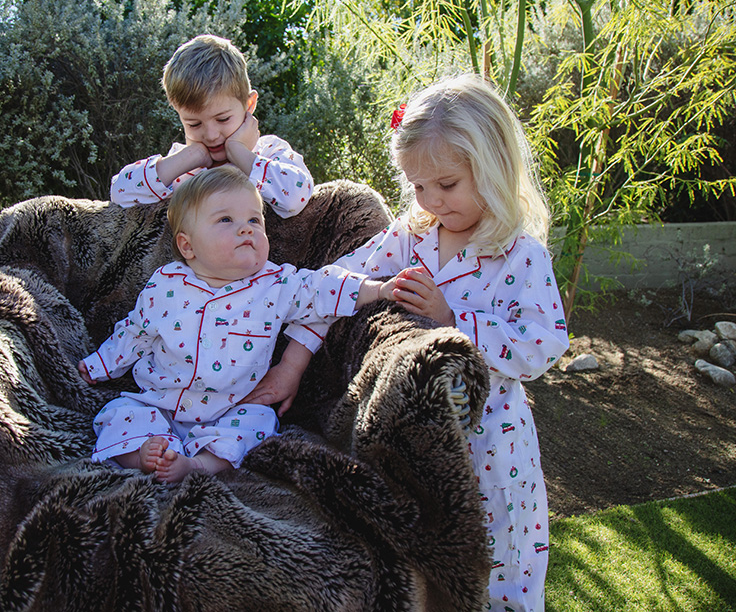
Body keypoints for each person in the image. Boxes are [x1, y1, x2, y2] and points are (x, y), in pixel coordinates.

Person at [246, 74, 569, 611]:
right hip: (412, 446)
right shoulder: (413, 234)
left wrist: (453, 317)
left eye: (447, 185)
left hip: (494, 448)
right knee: (425, 568)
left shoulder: (519, 255)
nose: (432, 200)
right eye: (418, 186)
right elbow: (340, 286)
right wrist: (292, 356)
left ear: (493, 168)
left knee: (499, 567)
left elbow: (541, 345)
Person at [78, 166, 405, 483]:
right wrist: (98, 365)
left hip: (230, 410)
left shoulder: (275, 285)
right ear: (187, 246)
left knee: (259, 422)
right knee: (119, 412)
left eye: (254, 220)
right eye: (225, 220)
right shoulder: (165, 283)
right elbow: (135, 331)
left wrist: (376, 289)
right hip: (160, 403)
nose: (247, 228)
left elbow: (323, 287)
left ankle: (198, 464)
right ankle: (145, 454)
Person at [109, 34, 314, 218]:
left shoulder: (269, 152)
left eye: (223, 119)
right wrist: (190, 157)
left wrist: (239, 152)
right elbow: (119, 194)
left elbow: (296, 198)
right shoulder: (179, 167)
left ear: (249, 104)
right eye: (194, 123)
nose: (211, 135)